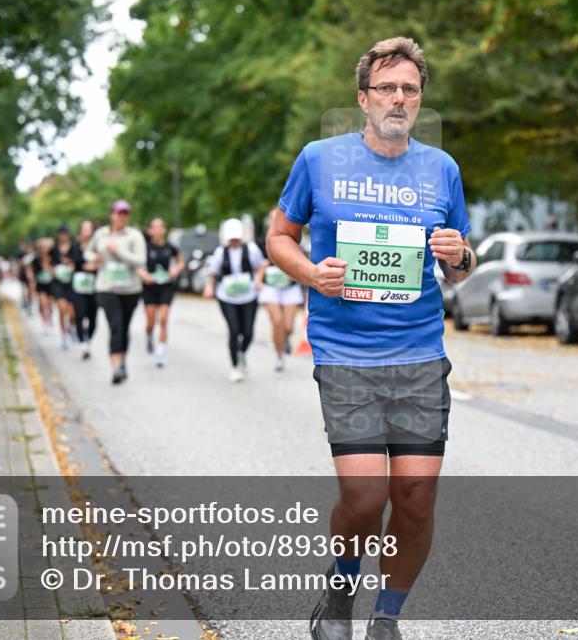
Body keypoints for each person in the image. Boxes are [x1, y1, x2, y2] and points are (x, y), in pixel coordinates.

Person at [266, 37, 475, 640]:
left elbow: (462, 262)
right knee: (364, 498)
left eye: (409, 88)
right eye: (386, 87)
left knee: (413, 497)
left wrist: (458, 253)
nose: (399, 98)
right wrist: (310, 273)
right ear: (363, 98)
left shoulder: (442, 169)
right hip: (346, 354)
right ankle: (339, 593)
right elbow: (280, 235)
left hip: (420, 355)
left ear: (419, 100)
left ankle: (388, 616)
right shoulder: (319, 159)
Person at [86, 200, 146, 384]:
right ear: (111, 215)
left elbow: (140, 260)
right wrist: (94, 257)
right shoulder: (101, 234)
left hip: (129, 288)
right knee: (116, 324)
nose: (121, 217)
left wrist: (118, 251)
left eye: (125, 214)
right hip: (106, 287)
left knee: (124, 327)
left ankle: (122, 361)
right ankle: (115, 366)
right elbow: (87, 252)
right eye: (118, 213)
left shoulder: (134, 235)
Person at [202, 218, 264, 382]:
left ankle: (242, 353)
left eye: (237, 238)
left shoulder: (251, 249)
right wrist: (209, 287)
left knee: (248, 332)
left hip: (248, 295)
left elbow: (260, 266)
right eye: (232, 238)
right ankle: (235, 366)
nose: (234, 241)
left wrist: (259, 280)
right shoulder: (220, 252)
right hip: (227, 296)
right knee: (234, 330)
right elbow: (212, 272)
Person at [255, 208, 305, 371]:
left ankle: (284, 340)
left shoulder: (294, 238)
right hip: (270, 287)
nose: (274, 220)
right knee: (277, 322)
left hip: (289, 287)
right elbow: (258, 264)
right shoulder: (262, 240)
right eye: (271, 218)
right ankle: (279, 356)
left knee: (288, 327)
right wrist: (259, 278)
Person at [140, 218, 183, 368]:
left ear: (164, 230)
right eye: (154, 227)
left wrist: (175, 269)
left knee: (163, 319)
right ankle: (149, 334)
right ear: (150, 230)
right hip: (150, 288)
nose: (157, 230)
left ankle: (160, 353)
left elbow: (180, 262)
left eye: (160, 227)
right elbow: (137, 265)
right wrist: (144, 275)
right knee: (151, 321)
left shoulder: (170, 247)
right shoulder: (145, 248)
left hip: (166, 287)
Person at [70, 220, 99, 360]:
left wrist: (95, 266)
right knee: (80, 314)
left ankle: (88, 340)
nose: (87, 232)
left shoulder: (98, 247)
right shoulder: (75, 247)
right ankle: (82, 344)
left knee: (93, 317)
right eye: (84, 229)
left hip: (94, 286)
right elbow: (71, 262)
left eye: (89, 229)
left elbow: (102, 261)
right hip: (79, 286)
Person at [50, 223, 78, 350]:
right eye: (61, 234)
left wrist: (71, 265)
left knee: (72, 312)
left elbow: (78, 262)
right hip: (58, 282)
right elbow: (47, 263)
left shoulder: (74, 247)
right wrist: (53, 270)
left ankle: (72, 327)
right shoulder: (53, 249)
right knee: (62, 309)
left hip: (71, 282)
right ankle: (63, 336)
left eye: (65, 233)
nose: (63, 236)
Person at [32, 238, 55, 329]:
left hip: (51, 284)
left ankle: (49, 316)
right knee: (43, 303)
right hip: (41, 284)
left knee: (50, 304)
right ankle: (44, 318)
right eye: (43, 247)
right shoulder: (36, 260)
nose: (45, 249)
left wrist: (48, 267)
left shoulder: (53, 258)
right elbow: (34, 273)